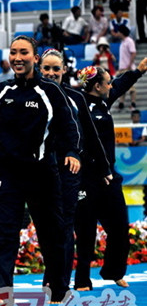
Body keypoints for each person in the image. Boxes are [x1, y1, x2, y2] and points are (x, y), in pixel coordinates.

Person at [0, 36, 81, 304]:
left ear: (35, 58)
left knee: (52, 233)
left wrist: (72, 152)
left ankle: (57, 287)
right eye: (13, 52)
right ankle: (1, 290)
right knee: (6, 231)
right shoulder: (1, 91)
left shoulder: (51, 91)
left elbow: (68, 126)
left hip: (42, 172)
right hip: (8, 173)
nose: (17, 57)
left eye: (23, 52)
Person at [39, 48, 111, 290]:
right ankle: (52, 277)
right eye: (46, 68)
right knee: (47, 227)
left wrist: (104, 168)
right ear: (39, 69)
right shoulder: (30, 94)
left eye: (55, 69)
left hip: (69, 168)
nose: (51, 73)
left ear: (64, 70)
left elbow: (90, 135)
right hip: (38, 170)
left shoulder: (76, 98)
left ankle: (58, 282)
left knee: (65, 225)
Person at [74, 60, 147, 290]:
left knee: (120, 228)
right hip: (86, 178)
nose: (111, 85)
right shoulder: (78, 105)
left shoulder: (104, 100)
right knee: (86, 231)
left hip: (109, 177)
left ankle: (113, 271)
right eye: (108, 82)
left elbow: (121, 85)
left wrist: (139, 71)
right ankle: (82, 279)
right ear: (97, 86)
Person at [116, 25, 137, 111]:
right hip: (122, 68)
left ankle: (133, 103)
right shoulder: (122, 42)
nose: (117, 33)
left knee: (131, 87)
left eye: (118, 32)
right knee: (122, 87)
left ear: (122, 32)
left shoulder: (129, 41)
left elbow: (133, 53)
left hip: (128, 68)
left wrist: (129, 66)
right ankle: (121, 103)